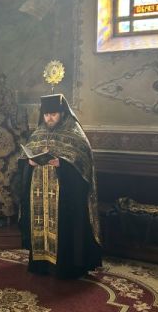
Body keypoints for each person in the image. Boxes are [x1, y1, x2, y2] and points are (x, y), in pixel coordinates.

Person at [19, 93, 101, 279]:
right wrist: (29, 163)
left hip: (65, 196)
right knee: (39, 225)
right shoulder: (38, 133)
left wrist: (62, 164)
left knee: (64, 229)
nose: (49, 118)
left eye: (53, 114)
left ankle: (66, 268)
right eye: (46, 114)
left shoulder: (74, 134)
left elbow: (84, 164)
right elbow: (25, 157)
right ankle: (41, 264)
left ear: (62, 113)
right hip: (39, 192)